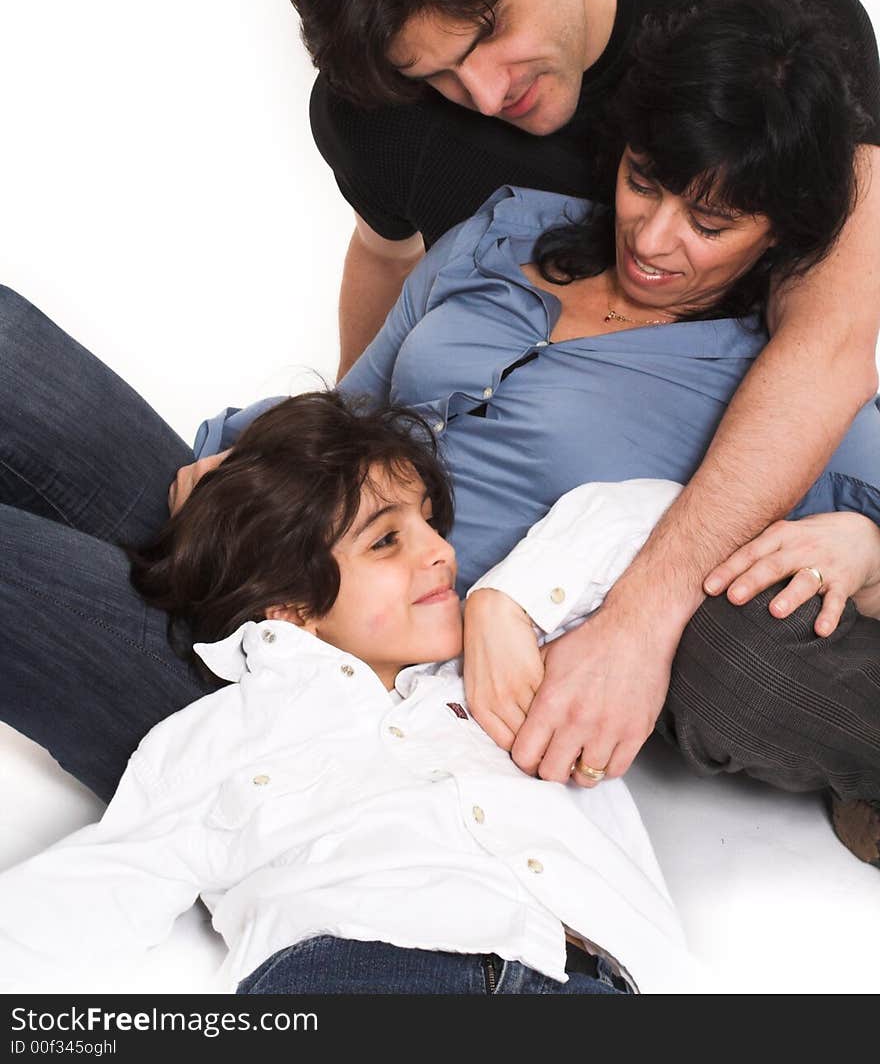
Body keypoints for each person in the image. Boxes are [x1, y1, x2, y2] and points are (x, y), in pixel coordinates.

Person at [1, 0, 878, 864]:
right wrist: (247, 448)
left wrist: (865, 549)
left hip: (322, 685)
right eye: (642, 181)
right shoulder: (507, 233)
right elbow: (361, 406)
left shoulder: (774, 394)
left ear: (776, 237)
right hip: (249, 519)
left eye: (710, 223)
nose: (653, 236)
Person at [273, 0, 880, 850]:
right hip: (447, 583)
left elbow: (823, 349)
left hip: (688, 529)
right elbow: (385, 251)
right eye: (431, 75)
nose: (479, 92)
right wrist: (335, 487)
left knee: (738, 655)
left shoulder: (778, 40)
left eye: (488, 34)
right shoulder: (382, 113)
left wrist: (637, 624)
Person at [0, 393, 699, 996]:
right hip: (359, 972)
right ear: (292, 603)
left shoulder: (517, 671)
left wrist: (505, 602)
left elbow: (663, 511)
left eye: (431, 524)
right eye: (387, 540)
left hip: (592, 978)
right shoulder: (223, 732)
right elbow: (100, 885)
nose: (440, 552)